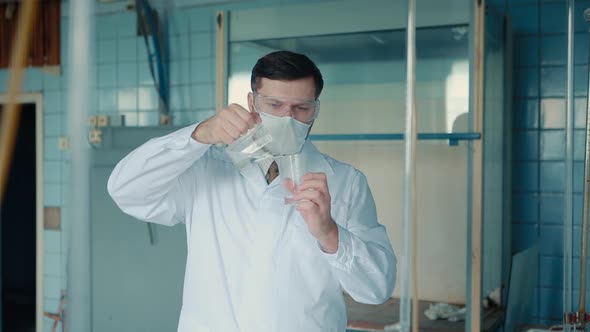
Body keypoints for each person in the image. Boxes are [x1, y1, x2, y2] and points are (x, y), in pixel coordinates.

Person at [107, 50, 397, 332]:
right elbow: (126, 189)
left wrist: (330, 234)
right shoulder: (206, 168)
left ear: (315, 109)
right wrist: (198, 136)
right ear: (251, 102)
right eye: (274, 105)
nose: (288, 118)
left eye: (301, 108)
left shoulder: (345, 182)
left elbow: (376, 290)